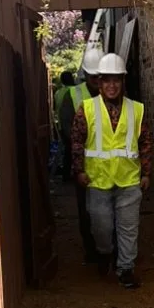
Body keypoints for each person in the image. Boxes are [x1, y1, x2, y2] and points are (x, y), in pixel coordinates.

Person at [71, 53, 151, 289]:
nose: (112, 85)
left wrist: (146, 173)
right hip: (98, 180)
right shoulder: (86, 109)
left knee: (128, 227)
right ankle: (105, 252)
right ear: (99, 82)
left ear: (122, 82)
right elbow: (77, 141)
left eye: (116, 80)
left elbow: (145, 142)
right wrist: (79, 170)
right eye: (107, 80)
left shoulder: (136, 109)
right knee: (101, 226)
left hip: (128, 179)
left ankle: (125, 268)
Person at [60, 48, 102, 261]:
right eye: (93, 75)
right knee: (86, 210)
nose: (97, 79)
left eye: (100, 74)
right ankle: (91, 250)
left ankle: (110, 250)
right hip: (85, 164)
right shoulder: (73, 95)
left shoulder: (113, 92)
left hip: (111, 165)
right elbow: (68, 130)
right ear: (85, 74)